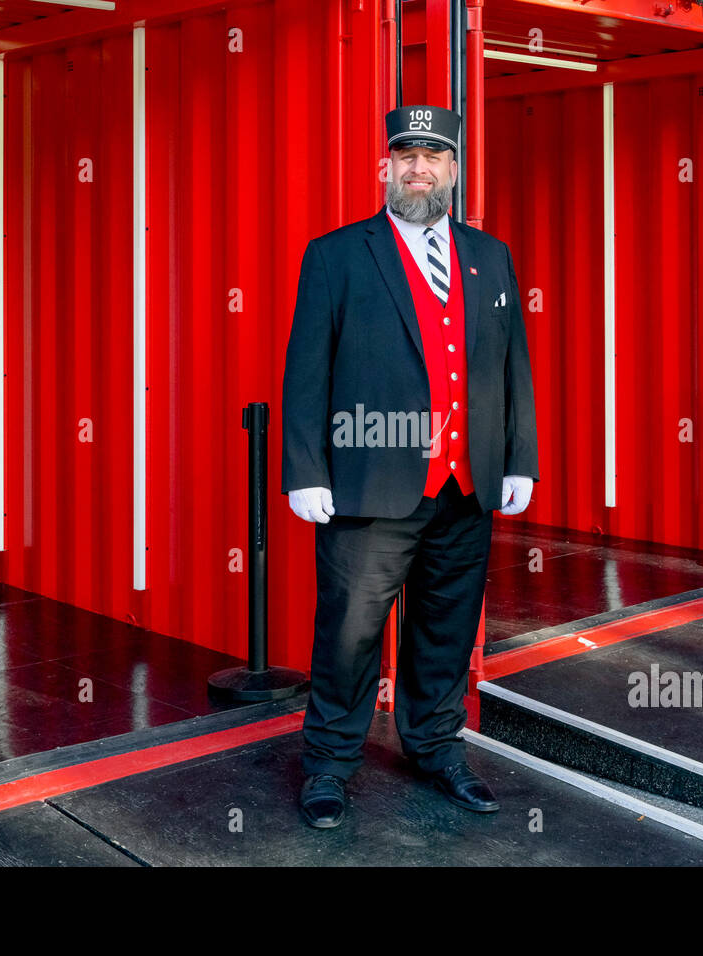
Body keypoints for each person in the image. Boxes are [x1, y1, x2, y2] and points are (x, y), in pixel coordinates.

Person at [281, 104, 539, 828]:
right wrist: (305, 470)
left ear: (453, 171)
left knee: (447, 628)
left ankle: (434, 746)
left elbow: (511, 363)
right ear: (384, 168)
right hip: (368, 485)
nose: (418, 167)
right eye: (405, 156)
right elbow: (307, 368)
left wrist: (520, 457)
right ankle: (330, 764)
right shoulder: (336, 254)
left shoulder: (490, 254)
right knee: (349, 634)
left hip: (466, 485)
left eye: (433, 157)